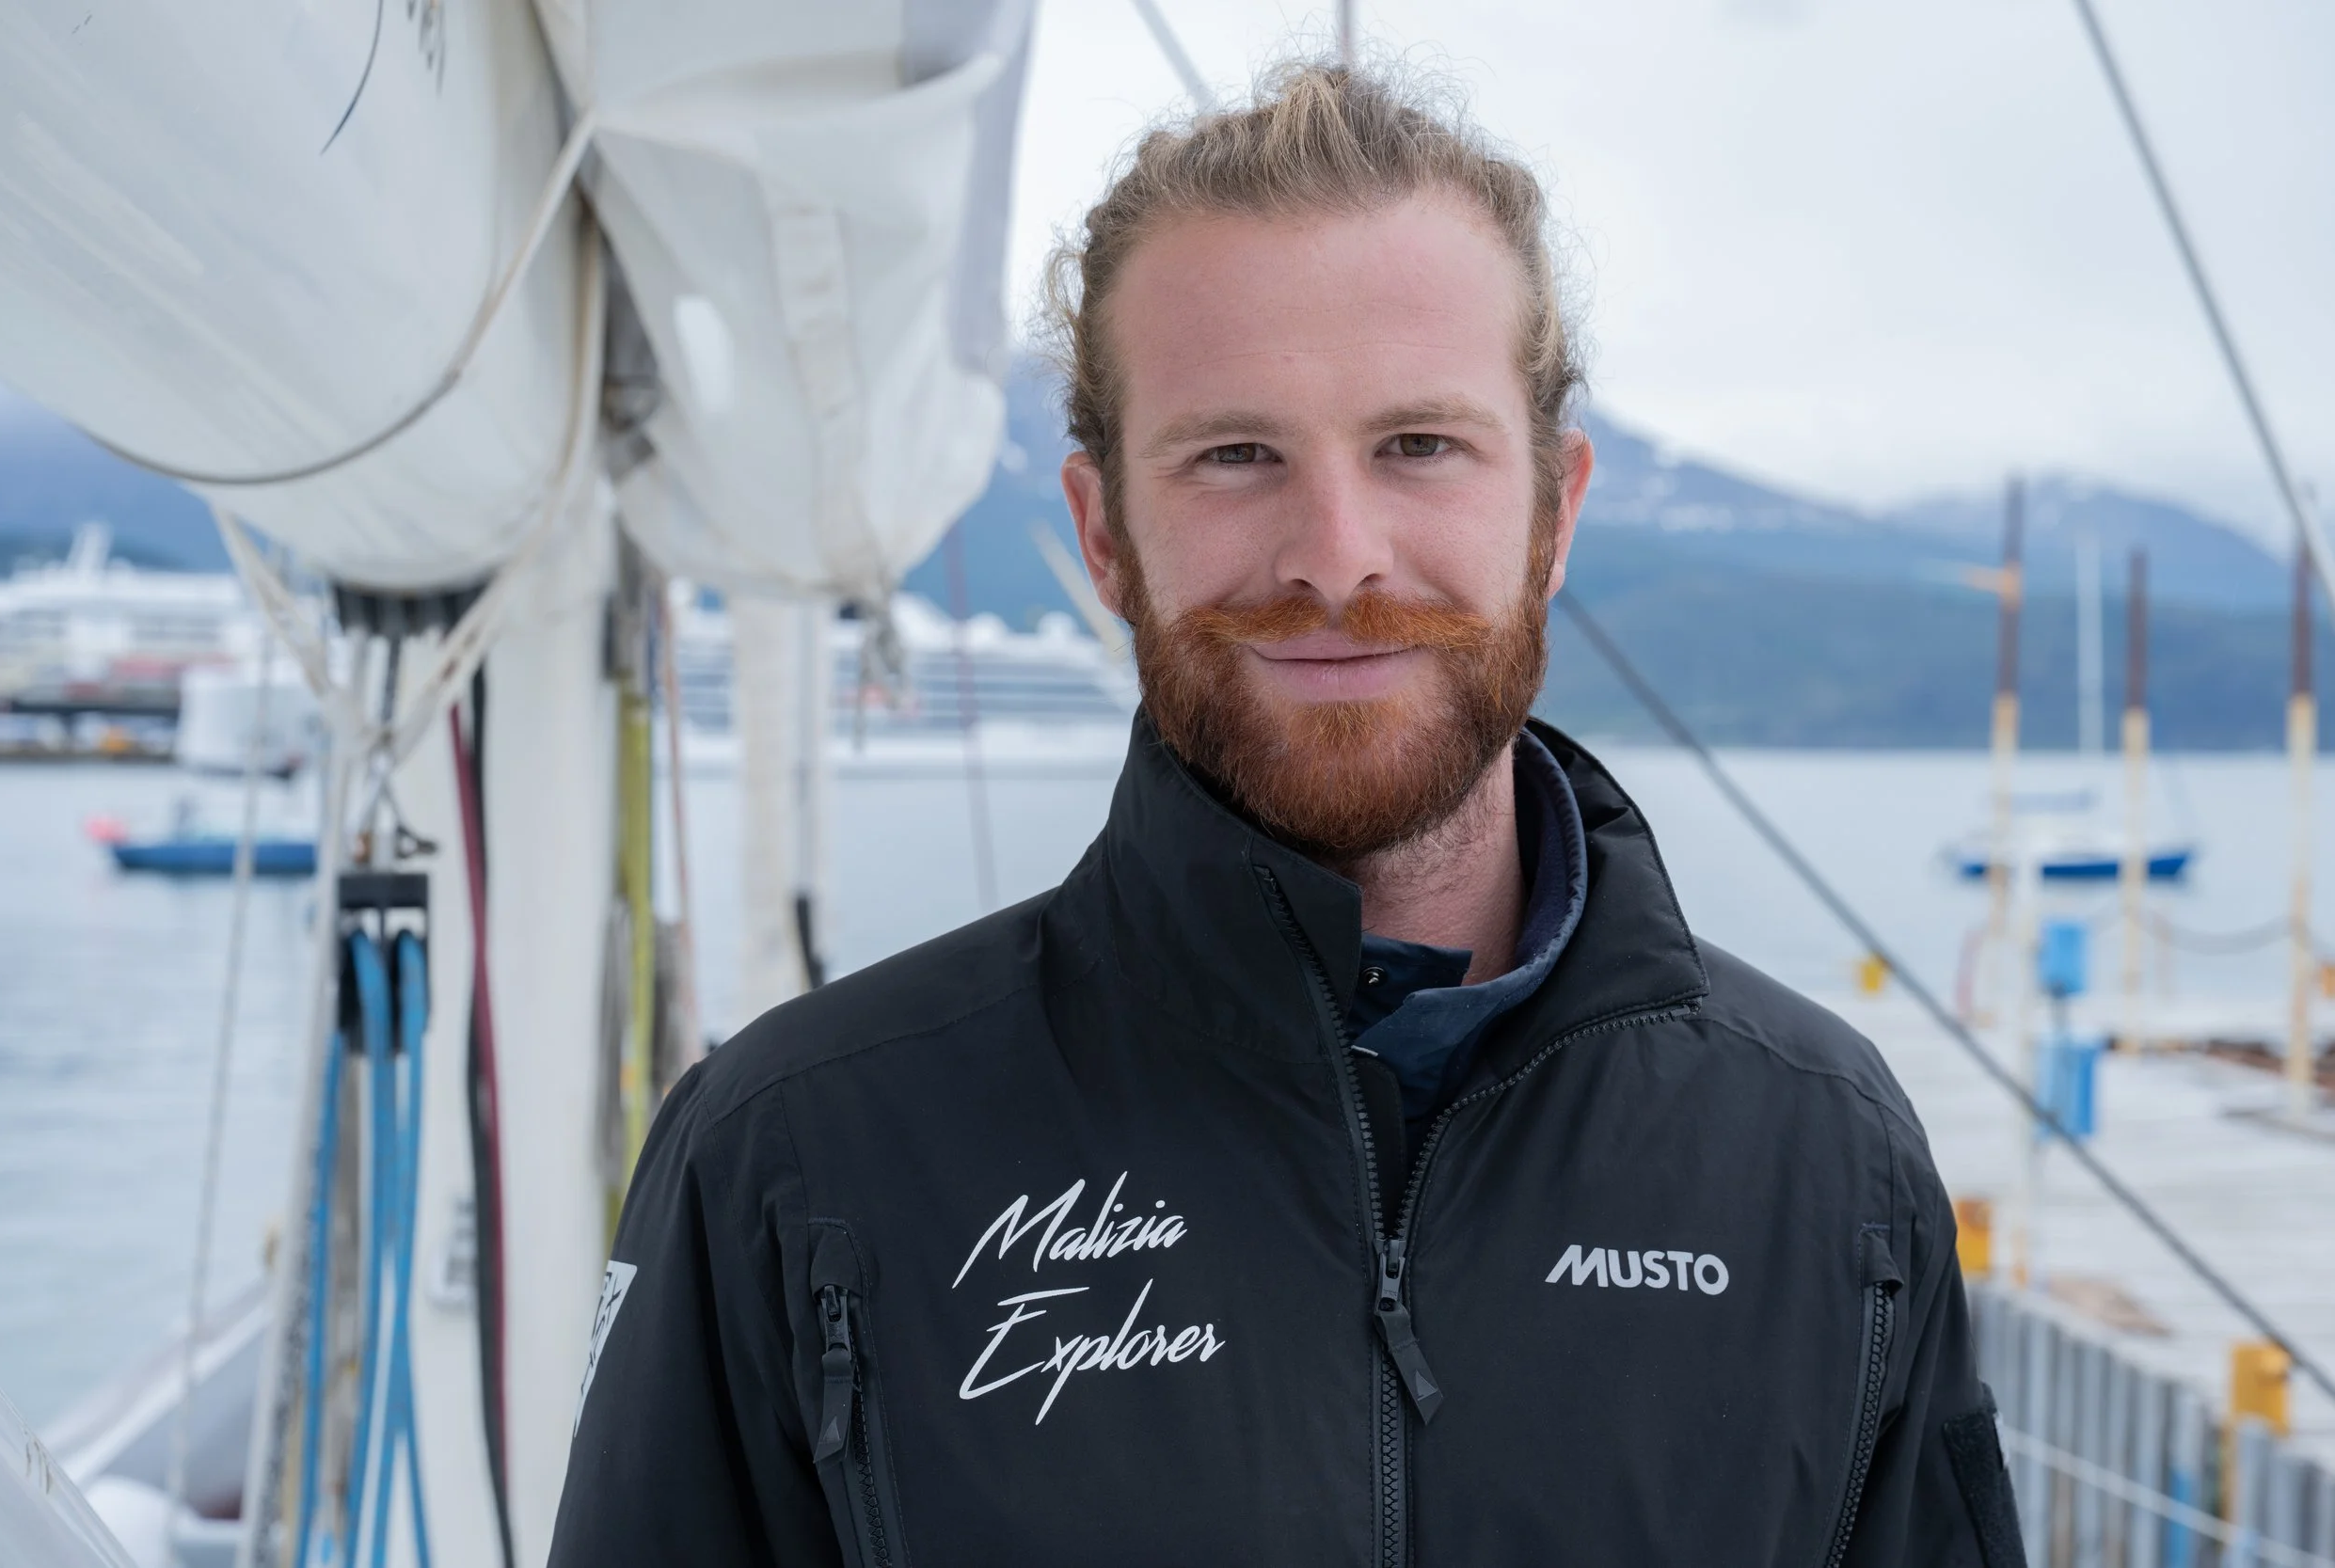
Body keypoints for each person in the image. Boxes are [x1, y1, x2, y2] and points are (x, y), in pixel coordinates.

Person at [549, 62, 2023, 1568]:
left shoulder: (1821, 1162)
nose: (1336, 553)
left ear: (1556, 514)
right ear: (1102, 532)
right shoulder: (799, 1157)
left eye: (1420, 447)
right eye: (1237, 455)